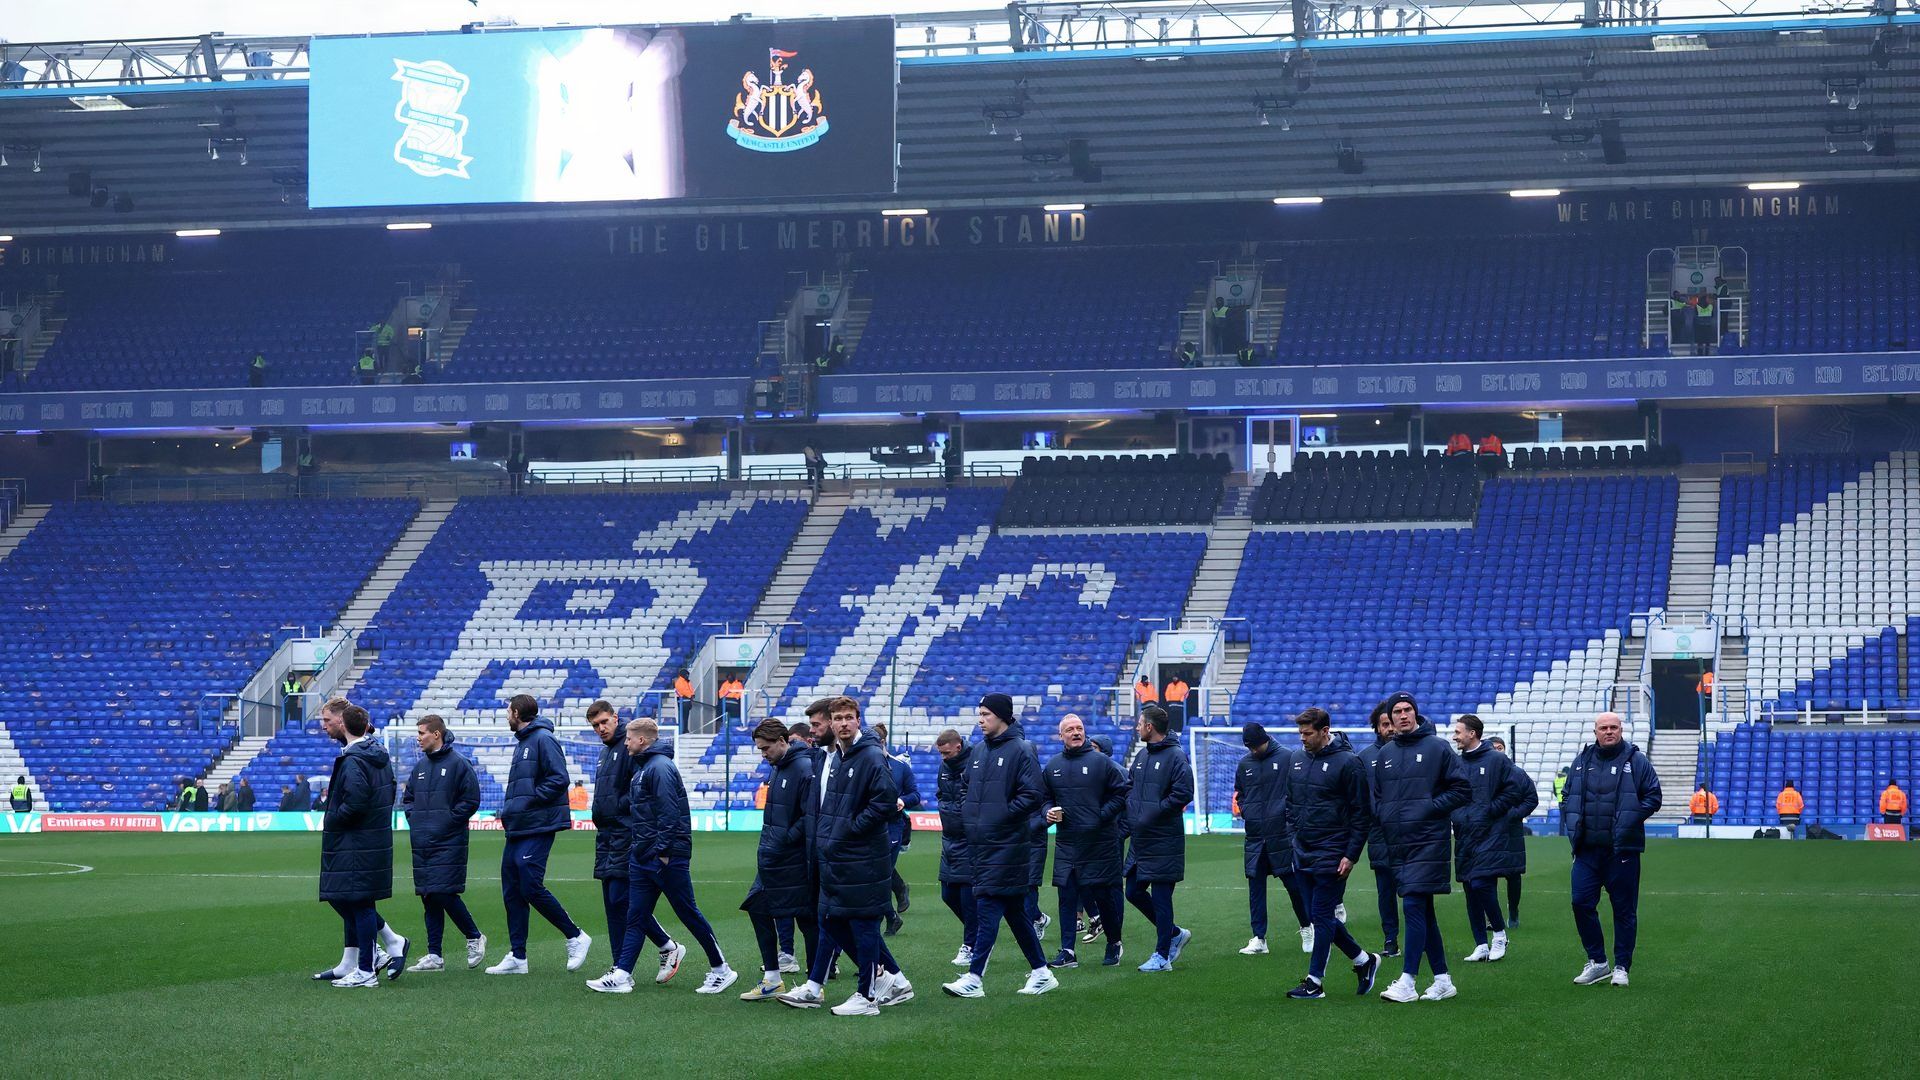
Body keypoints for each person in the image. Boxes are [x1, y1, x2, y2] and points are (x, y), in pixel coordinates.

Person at [587, 719, 737, 995]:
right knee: (635, 915)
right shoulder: (645, 769)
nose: (626, 742)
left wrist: (664, 853)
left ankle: (721, 969)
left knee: (688, 913)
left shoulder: (661, 768)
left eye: (630, 739)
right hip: (643, 855)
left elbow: (669, 815)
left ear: (642, 740)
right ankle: (622, 974)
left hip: (664, 857)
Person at [787, 696, 910, 1016]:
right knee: (832, 920)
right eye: (837, 718)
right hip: (837, 855)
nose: (841, 723)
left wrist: (849, 831)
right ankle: (890, 980)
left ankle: (867, 996)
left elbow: (884, 803)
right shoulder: (837, 756)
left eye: (847, 718)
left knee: (863, 924)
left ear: (857, 720)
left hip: (862, 856)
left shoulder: (867, 756)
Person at [943, 693, 1059, 999]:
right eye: (979, 714)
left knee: (987, 905)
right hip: (982, 844)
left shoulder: (1022, 750)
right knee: (1015, 912)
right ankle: (1042, 972)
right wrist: (971, 817)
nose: (980, 720)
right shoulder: (979, 751)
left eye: (985, 714)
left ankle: (974, 977)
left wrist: (1001, 818)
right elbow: (966, 786)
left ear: (1003, 716)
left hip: (1009, 844)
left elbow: (1033, 794)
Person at [1372, 692, 1471, 1003]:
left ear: (1416, 713)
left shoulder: (1438, 748)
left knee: (1413, 905)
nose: (1403, 715)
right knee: (1424, 912)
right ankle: (1442, 979)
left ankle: (1408, 980)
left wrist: (1428, 808)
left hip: (1429, 840)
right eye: (1397, 711)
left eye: (1408, 709)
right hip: (1398, 843)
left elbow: (1462, 789)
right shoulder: (1386, 754)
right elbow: (1377, 796)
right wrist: (1386, 816)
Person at [485, 694, 593, 975]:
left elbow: (560, 778)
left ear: (518, 713)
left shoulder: (543, 739)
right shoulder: (523, 743)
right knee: (511, 887)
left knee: (530, 883)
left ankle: (575, 936)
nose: (506, 716)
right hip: (520, 825)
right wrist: (509, 809)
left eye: (509, 711)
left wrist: (529, 801)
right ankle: (518, 957)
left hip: (538, 823)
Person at [1282, 707, 1381, 999]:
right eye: (1300, 733)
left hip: (1333, 851)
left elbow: (1362, 814)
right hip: (1302, 851)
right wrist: (1293, 837)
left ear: (1325, 732)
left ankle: (1314, 982)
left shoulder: (1349, 763)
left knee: (1322, 915)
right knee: (1318, 915)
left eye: (1308, 733)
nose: (1303, 738)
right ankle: (1364, 960)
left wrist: (1350, 854)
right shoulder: (1297, 760)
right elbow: (1290, 803)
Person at [585, 702, 682, 988]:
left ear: (615, 718)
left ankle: (632, 964)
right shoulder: (605, 754)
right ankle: (648, 954)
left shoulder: (630, 750)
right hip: (607, 836)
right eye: (595, 725)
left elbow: (639, 790)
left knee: (624, 901)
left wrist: (616, 809)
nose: (600, 728)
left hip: (628, 834)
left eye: (604, 722)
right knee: (614, 903)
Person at [1563, 712, 1662, 988]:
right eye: (1604, 728)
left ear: (1621, 730)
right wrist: (1571, 820)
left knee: (1624, 910)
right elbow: (1567, 795)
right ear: (1595, 731)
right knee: (1580, 903)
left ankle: (1621, 966)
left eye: (1614, 728)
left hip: (1622, 850)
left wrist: (1629, 818)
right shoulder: (1582, 762)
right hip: (1586, 851)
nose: (1609, 732)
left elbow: (1654, 795)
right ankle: (1597, 962)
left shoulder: (1637, 761)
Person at [310, 700, 400, 988]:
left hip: (357, 841)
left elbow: (357, 802)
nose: (323, 726)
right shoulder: (377, 754)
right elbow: (388, 792)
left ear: (343, 723)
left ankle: (367, 969)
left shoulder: (355, 759)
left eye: (326, 720)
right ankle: (357, 961)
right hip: (371, 838)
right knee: (349, 897)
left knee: (357, 900)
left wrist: (333, 818)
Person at [1040, 712, 1129, 970]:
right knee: (1066, 896)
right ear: (1061, 736)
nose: (1076, 732)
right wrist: (1048, 811)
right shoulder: (1053, 766)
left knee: (1103, 897)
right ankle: (1067, 951)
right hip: (1067, 842)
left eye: (1079, 728)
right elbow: (1043, 798)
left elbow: (1122, 792)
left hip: (1100, 842)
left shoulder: (1102, 762)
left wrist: (1101, 815)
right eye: (1070, 729)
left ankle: (1114, 942)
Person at [739, 717, 819, 1001]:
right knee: (758, 907)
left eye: (766, 748)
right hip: (774, 857)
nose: (763, 754)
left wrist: (785, 840)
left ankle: (814, 985)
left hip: (794, 859)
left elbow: (810, 816)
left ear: (783, 741)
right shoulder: (779, 767)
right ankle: (773, 979)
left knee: (807, 920)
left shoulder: (804, 768)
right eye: (760, 749)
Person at [402, 714, 488, 972]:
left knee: (443, 891)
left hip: (449, 840)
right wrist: (415, 821)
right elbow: (408, 800)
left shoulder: (459, 764)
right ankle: (434, 955)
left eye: (422, 733)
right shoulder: (419, 767)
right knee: (428, 895)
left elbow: (471, 800)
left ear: (436, 734)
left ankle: (474, 936)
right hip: (422, 841)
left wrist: (447, 823)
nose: (418, 738)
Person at [1450, 715, 1536, 964]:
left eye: (1458, 732)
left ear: (1472, 734)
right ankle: (1480, 944)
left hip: (1490, 835)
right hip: (1464, 834)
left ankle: (1499, 934)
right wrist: (1456, 814)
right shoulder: (1455, 763)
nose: (1455, 736)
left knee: (1481, 884)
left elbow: (1517, 790)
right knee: (1469, 888)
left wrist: (1494, 810)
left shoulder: (1497, 760)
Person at [1125, 704, 1194, 973]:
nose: (1137, 727)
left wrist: (1153, 813)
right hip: (1142, 839)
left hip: (1165, 840)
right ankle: (1174, 933)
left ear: (1150, 727)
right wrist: (1133, 812)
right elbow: (1131, 786)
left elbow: (1183, 793)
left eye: (1140, 723)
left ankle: (1162, 955)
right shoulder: (1142, 756)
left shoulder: (1176, 756)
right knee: (1132, 891)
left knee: (1163, 898)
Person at [1234, 721, 1313, 957]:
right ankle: (1259, 938)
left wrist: (1289, 821)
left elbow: (1299, 793)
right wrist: (1248, 812)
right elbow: (1241, 795)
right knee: (1255, 888)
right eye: (1250, 747)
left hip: (1282, 835)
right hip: (1256, 837)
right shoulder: (1245, 763)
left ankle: (1307, 927)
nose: (1254, 751)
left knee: (1294, 886)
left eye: (1256, 746)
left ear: (1265, 740)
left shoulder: (1288, 758)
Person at [933, 728, 979, 968]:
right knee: (947, 894)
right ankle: (979, 934)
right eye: (940, 753)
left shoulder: (975, 763)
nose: (943, 757)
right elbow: (941, 793)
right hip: (949, 838)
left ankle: (971, 945)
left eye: (946, 753)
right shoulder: (944, 768)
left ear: (958, 747)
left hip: (969, 839)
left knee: (967, 897)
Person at [871, 722, 922, 936]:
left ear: (882, 742)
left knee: (879, 874)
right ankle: (891, 915)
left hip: (892, 826)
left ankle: (886, 917)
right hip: (869, 826)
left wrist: (901, 800)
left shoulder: (900, 767)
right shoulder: (865, 765)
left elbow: (915, 795)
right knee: (875, 874)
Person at [1356, 701, 1399, 957]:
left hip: (1409, 834)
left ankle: (1424, 939)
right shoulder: (1364, 758)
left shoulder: (1413, 752)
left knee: (1417, 891)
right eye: (1385, 725)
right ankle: (1390, 939)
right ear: (1377, 728)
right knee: (1385, 892)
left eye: (1393, 723)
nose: (1391, 729)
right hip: (1379, 834)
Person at [1485, 735, 1529, 926]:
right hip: (1487, 831)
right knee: (1487, 875)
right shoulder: (1481, 773)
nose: (1496, 750)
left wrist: (1514, 814)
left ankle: (1513, 911)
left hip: (1511, 832)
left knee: (1513, 874)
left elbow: (1531, 798)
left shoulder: (1517, 773)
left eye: (1499, 747)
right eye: (1492, 748)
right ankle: (1492, 917)